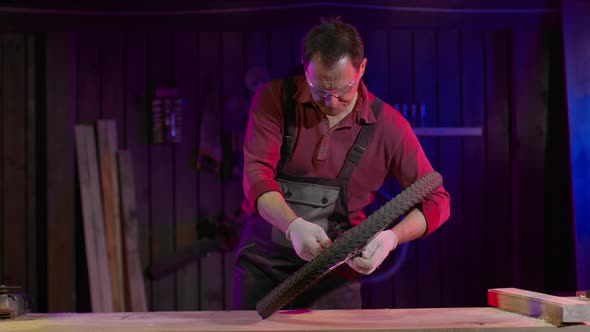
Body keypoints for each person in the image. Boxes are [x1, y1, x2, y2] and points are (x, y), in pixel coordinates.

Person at [232, 17, 450, 310]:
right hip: (263, 269)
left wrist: (391, 239)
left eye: (344, 89)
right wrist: (293, 225)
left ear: (361, 69)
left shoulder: (389, 126)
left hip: (334, 279)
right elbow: (256, 175)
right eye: (319, 90)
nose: (332, 101)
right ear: (305, 67)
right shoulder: (273, 99)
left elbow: (437, 200)